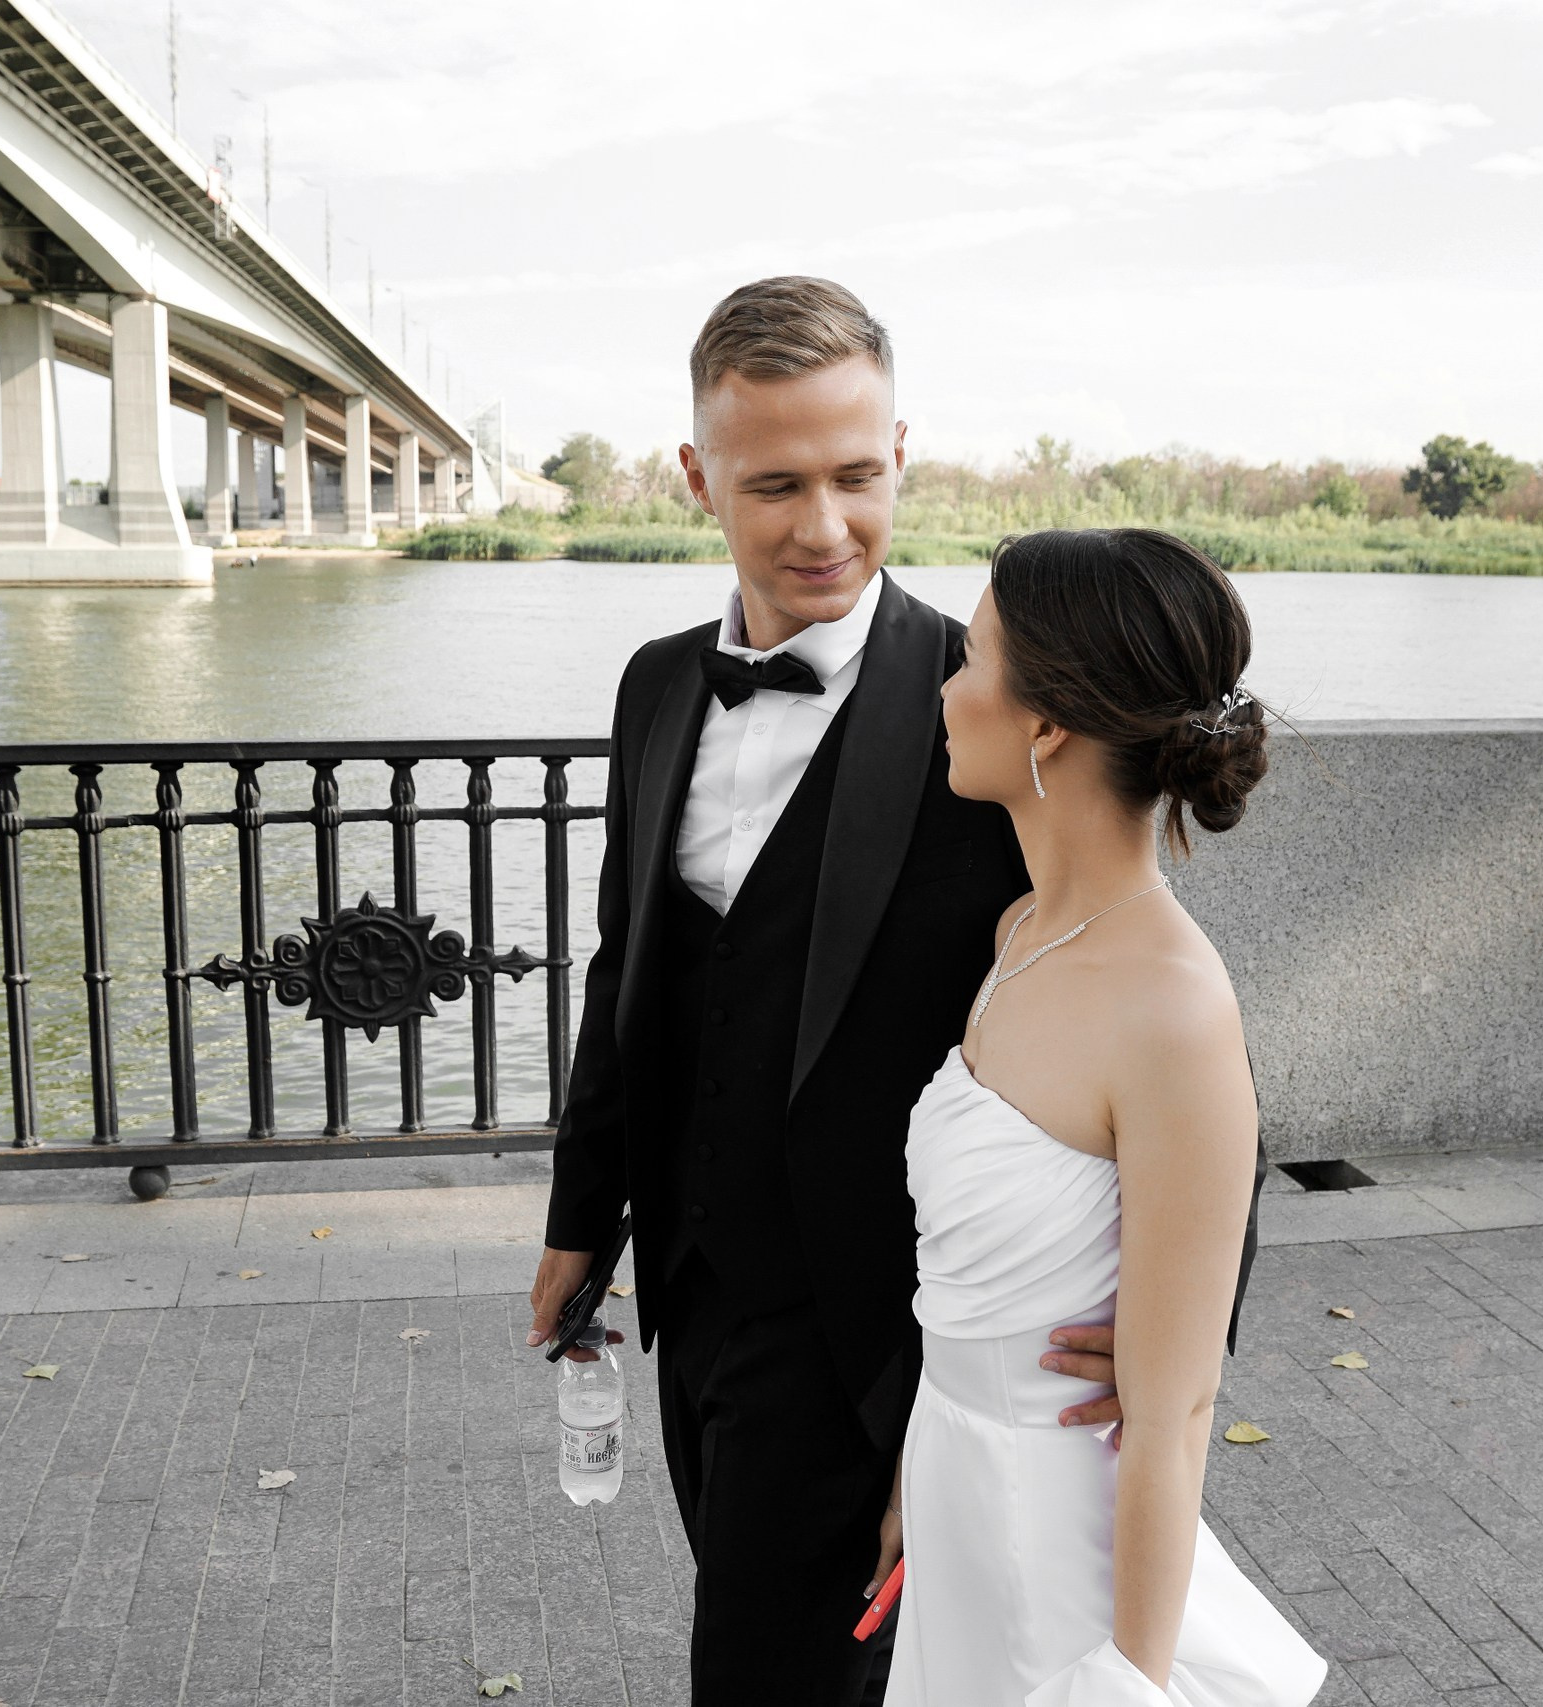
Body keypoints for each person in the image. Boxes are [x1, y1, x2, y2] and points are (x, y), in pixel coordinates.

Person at [526, 277, 1126, 1703]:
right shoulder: (656, 685)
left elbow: (1149, 992)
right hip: (695, 1295)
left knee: (770, 1670)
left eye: (859, 476)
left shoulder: (988, 705)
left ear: (902, 452)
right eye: (775, 482)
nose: (824, 525)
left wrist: (1175, 1324)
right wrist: (580, 1218)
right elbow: (632, 971)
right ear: (696, 477)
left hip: (889, 1327)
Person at [880, 529, 1326, 1706]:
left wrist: (1125, 1679)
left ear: (1045, 726)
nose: (944, 687)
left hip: (1063, 1541)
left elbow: (1175, 1415)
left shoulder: (1172, 1006)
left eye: (971, 656)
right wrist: (919, 1483)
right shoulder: (1020, 933)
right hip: (956, 1479)